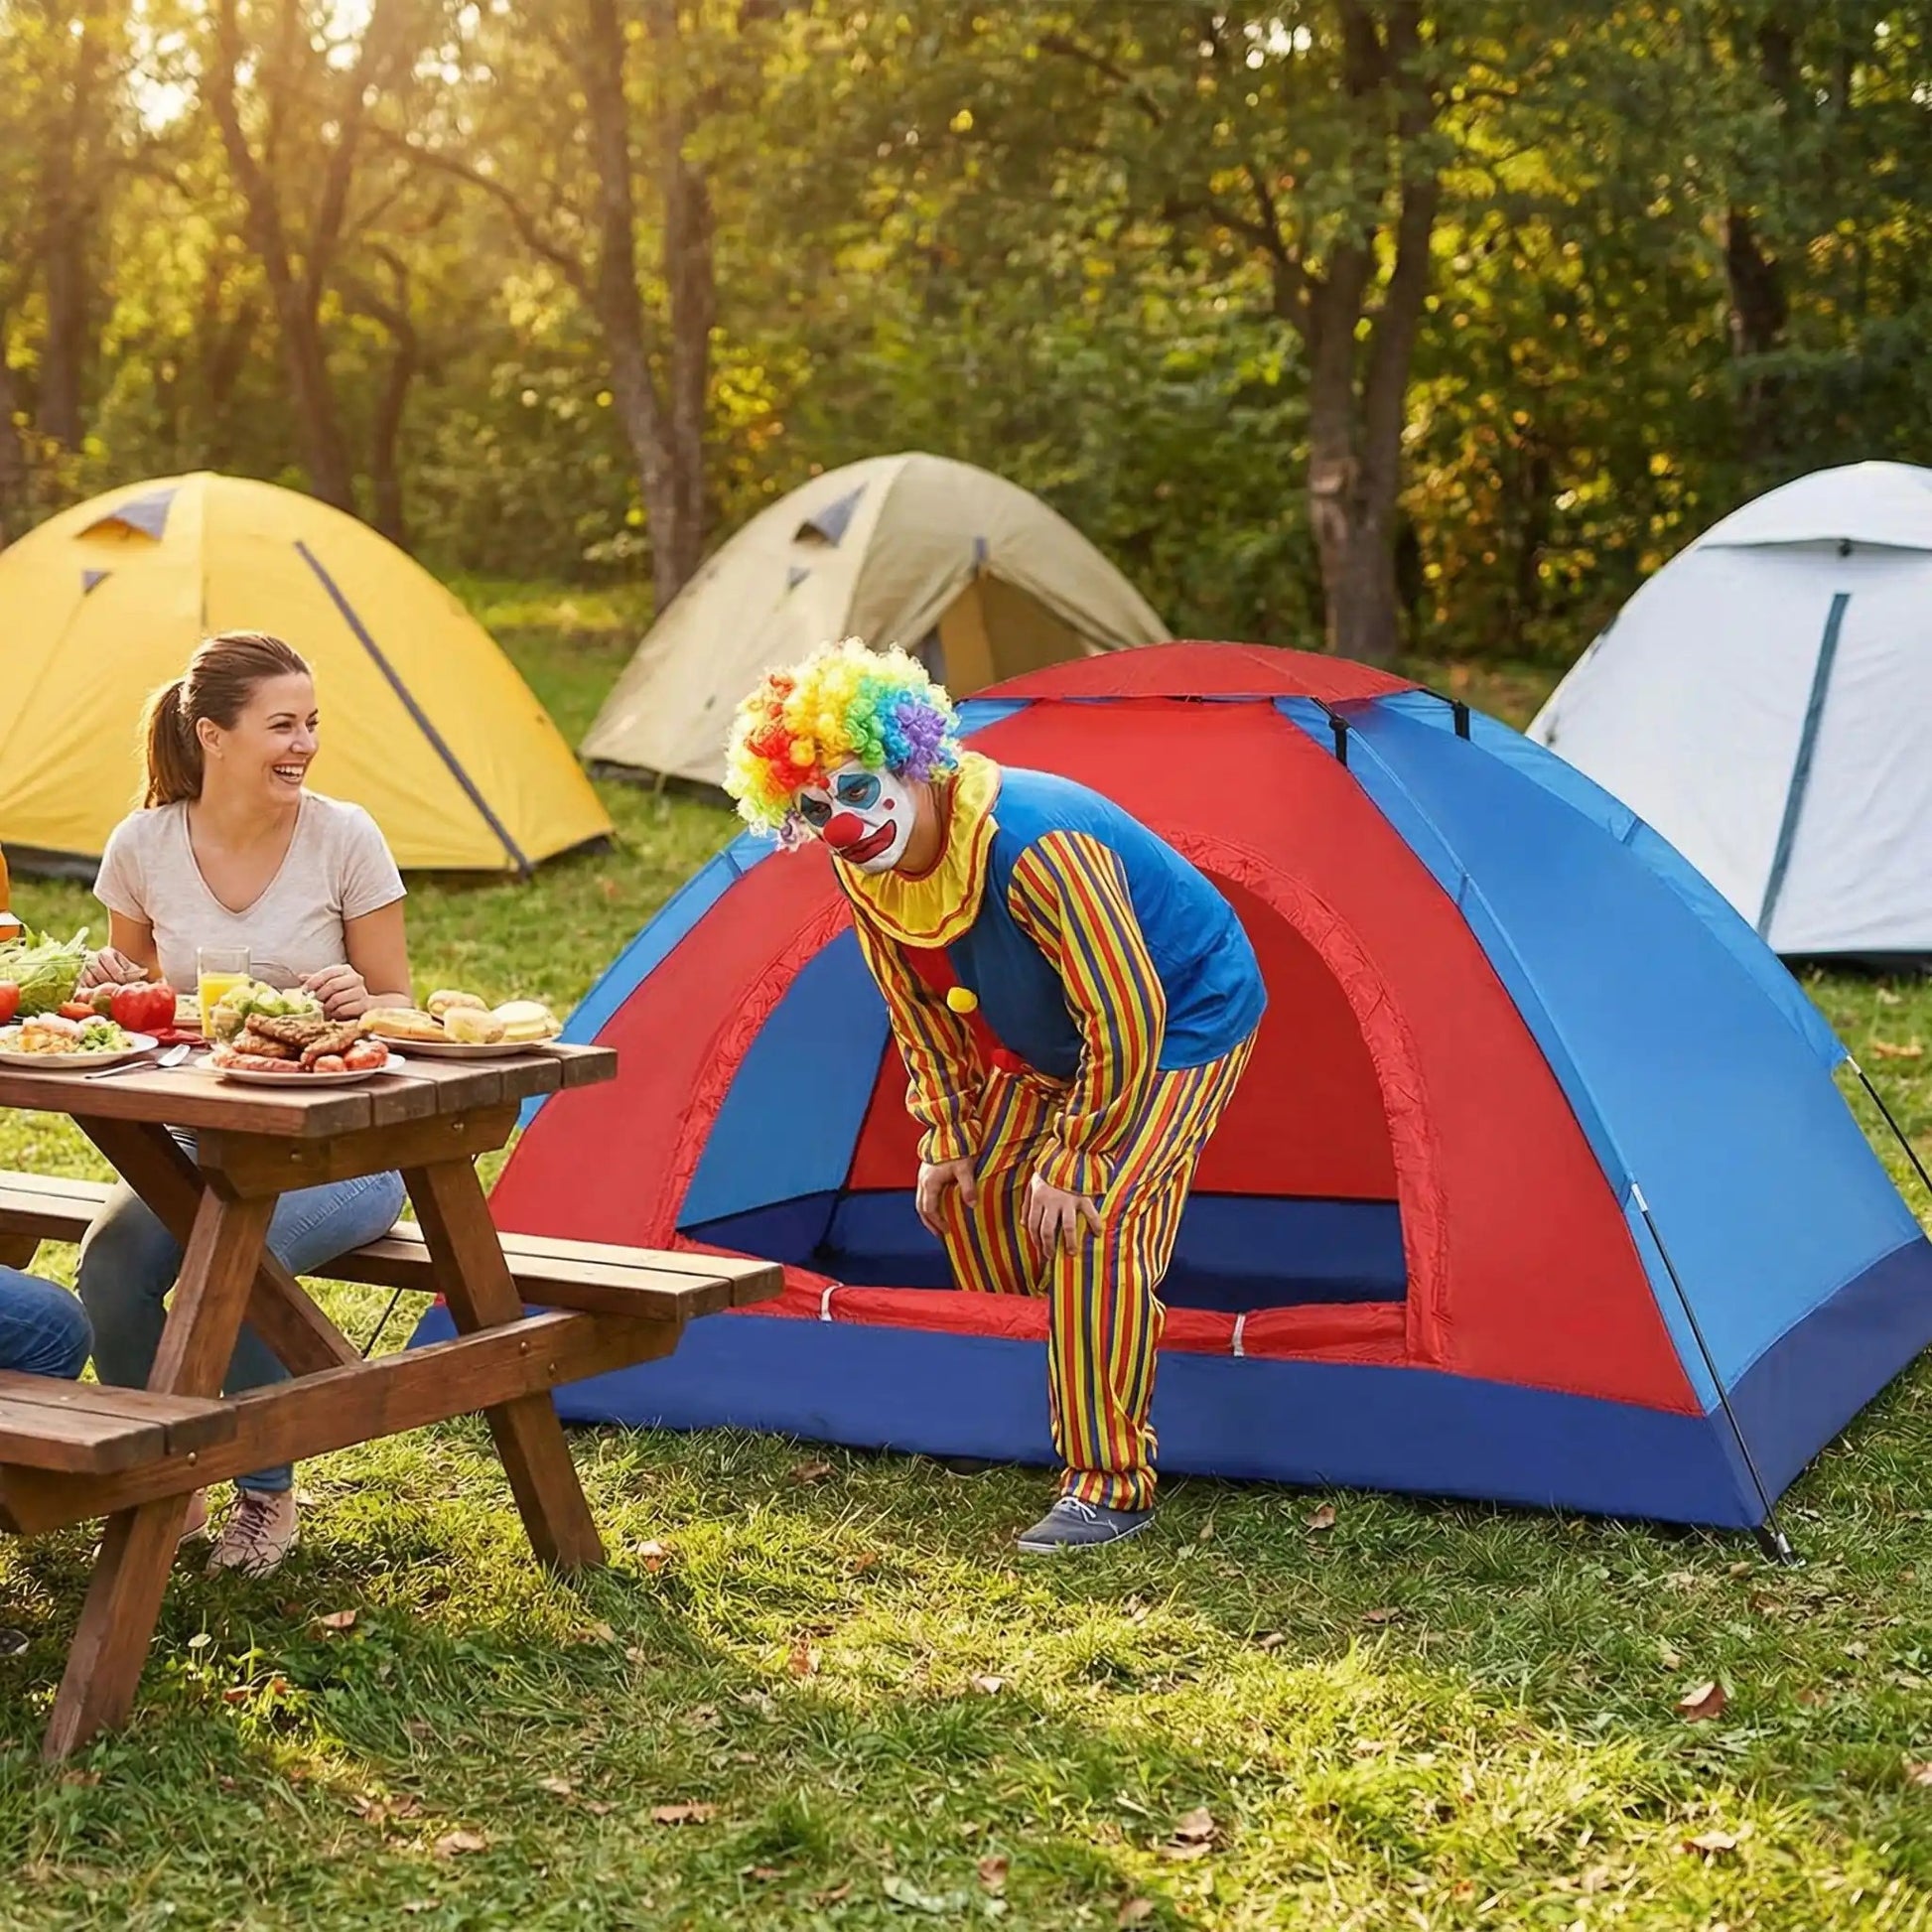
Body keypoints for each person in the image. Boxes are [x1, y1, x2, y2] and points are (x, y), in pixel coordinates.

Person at [724, 640, 1267, 1553]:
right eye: (815, 808)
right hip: (1047, 1033)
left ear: (913, 760)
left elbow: (1126, 1013)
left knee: (1092, 1221)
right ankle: (1024, 1398)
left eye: (856, 788)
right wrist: (946, 1134)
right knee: (970, 1194)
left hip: (1179, 1022)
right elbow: (915, 1009)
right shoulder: (864, 867)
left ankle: (1108, 1481)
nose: (843, 823)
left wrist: (1081, 1154)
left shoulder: (1040, 844)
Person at [76, 630, 414, 1577]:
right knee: (110, 1267)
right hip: (199, 1139)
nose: (304, 745)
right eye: (282, 725)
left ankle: (264, 1491)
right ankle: (164, 1479)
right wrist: (111, 989)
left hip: (344, 1150)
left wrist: (360, 999)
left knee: (234, 1260)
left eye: (311, 723)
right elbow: (141, 1013)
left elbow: (400, 1002)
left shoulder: (344, 836)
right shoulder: (144, 846)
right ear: (213, 735)